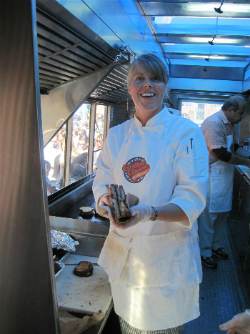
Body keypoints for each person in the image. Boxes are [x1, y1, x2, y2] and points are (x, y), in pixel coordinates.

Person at [92, 54, 209, 334]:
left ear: (165, 87)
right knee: (127, 325)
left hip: (164, 268)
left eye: (155, 79)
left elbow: (191, 199)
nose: (148, 85)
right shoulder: (117, 135)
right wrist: (106, 203)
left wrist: (147, 212)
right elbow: (101, 180)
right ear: (129, 87)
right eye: (140, 78)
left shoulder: (186, 134)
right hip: (122, 261)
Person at [198, 96, 250, 269]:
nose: (242, 117)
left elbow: (234, 148)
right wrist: (247, 163)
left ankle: (215, 246)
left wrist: (249, 156)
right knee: (208, 217)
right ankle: (204, 252)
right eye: (240, 113)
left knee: (222, 215)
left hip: (224, 176)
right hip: (213, 176)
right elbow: (221, 153)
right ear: (230, 110)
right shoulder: (214, 123)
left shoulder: (231, 124)